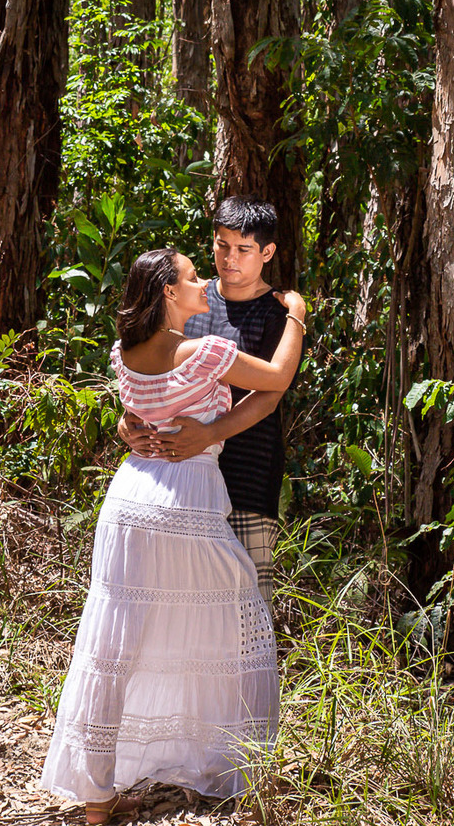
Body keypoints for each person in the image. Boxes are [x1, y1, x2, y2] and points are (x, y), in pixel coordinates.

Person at [41, 247, 308, 823]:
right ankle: (238, 768)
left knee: (114, 644)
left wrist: (128, 425)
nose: (204, 282)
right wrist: (297, 314)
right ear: (168, 292)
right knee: (239, 623)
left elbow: (136, 412)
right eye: (192, 277)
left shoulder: (124, 352)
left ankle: (97, 797)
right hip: (186, 496)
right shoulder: (203, 351)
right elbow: (278, 378)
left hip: (128, 497)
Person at [119, 196, 300, 613]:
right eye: (222, 245)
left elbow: (272, 392)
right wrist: (128, 419)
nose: (229, 259)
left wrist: (211, 433)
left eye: (244, 249)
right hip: (177, 479)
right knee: (180, 605)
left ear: (267, 252)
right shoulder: (191, 302)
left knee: (247, 606)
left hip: (247, 472)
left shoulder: (278, 313)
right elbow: (153, 373)